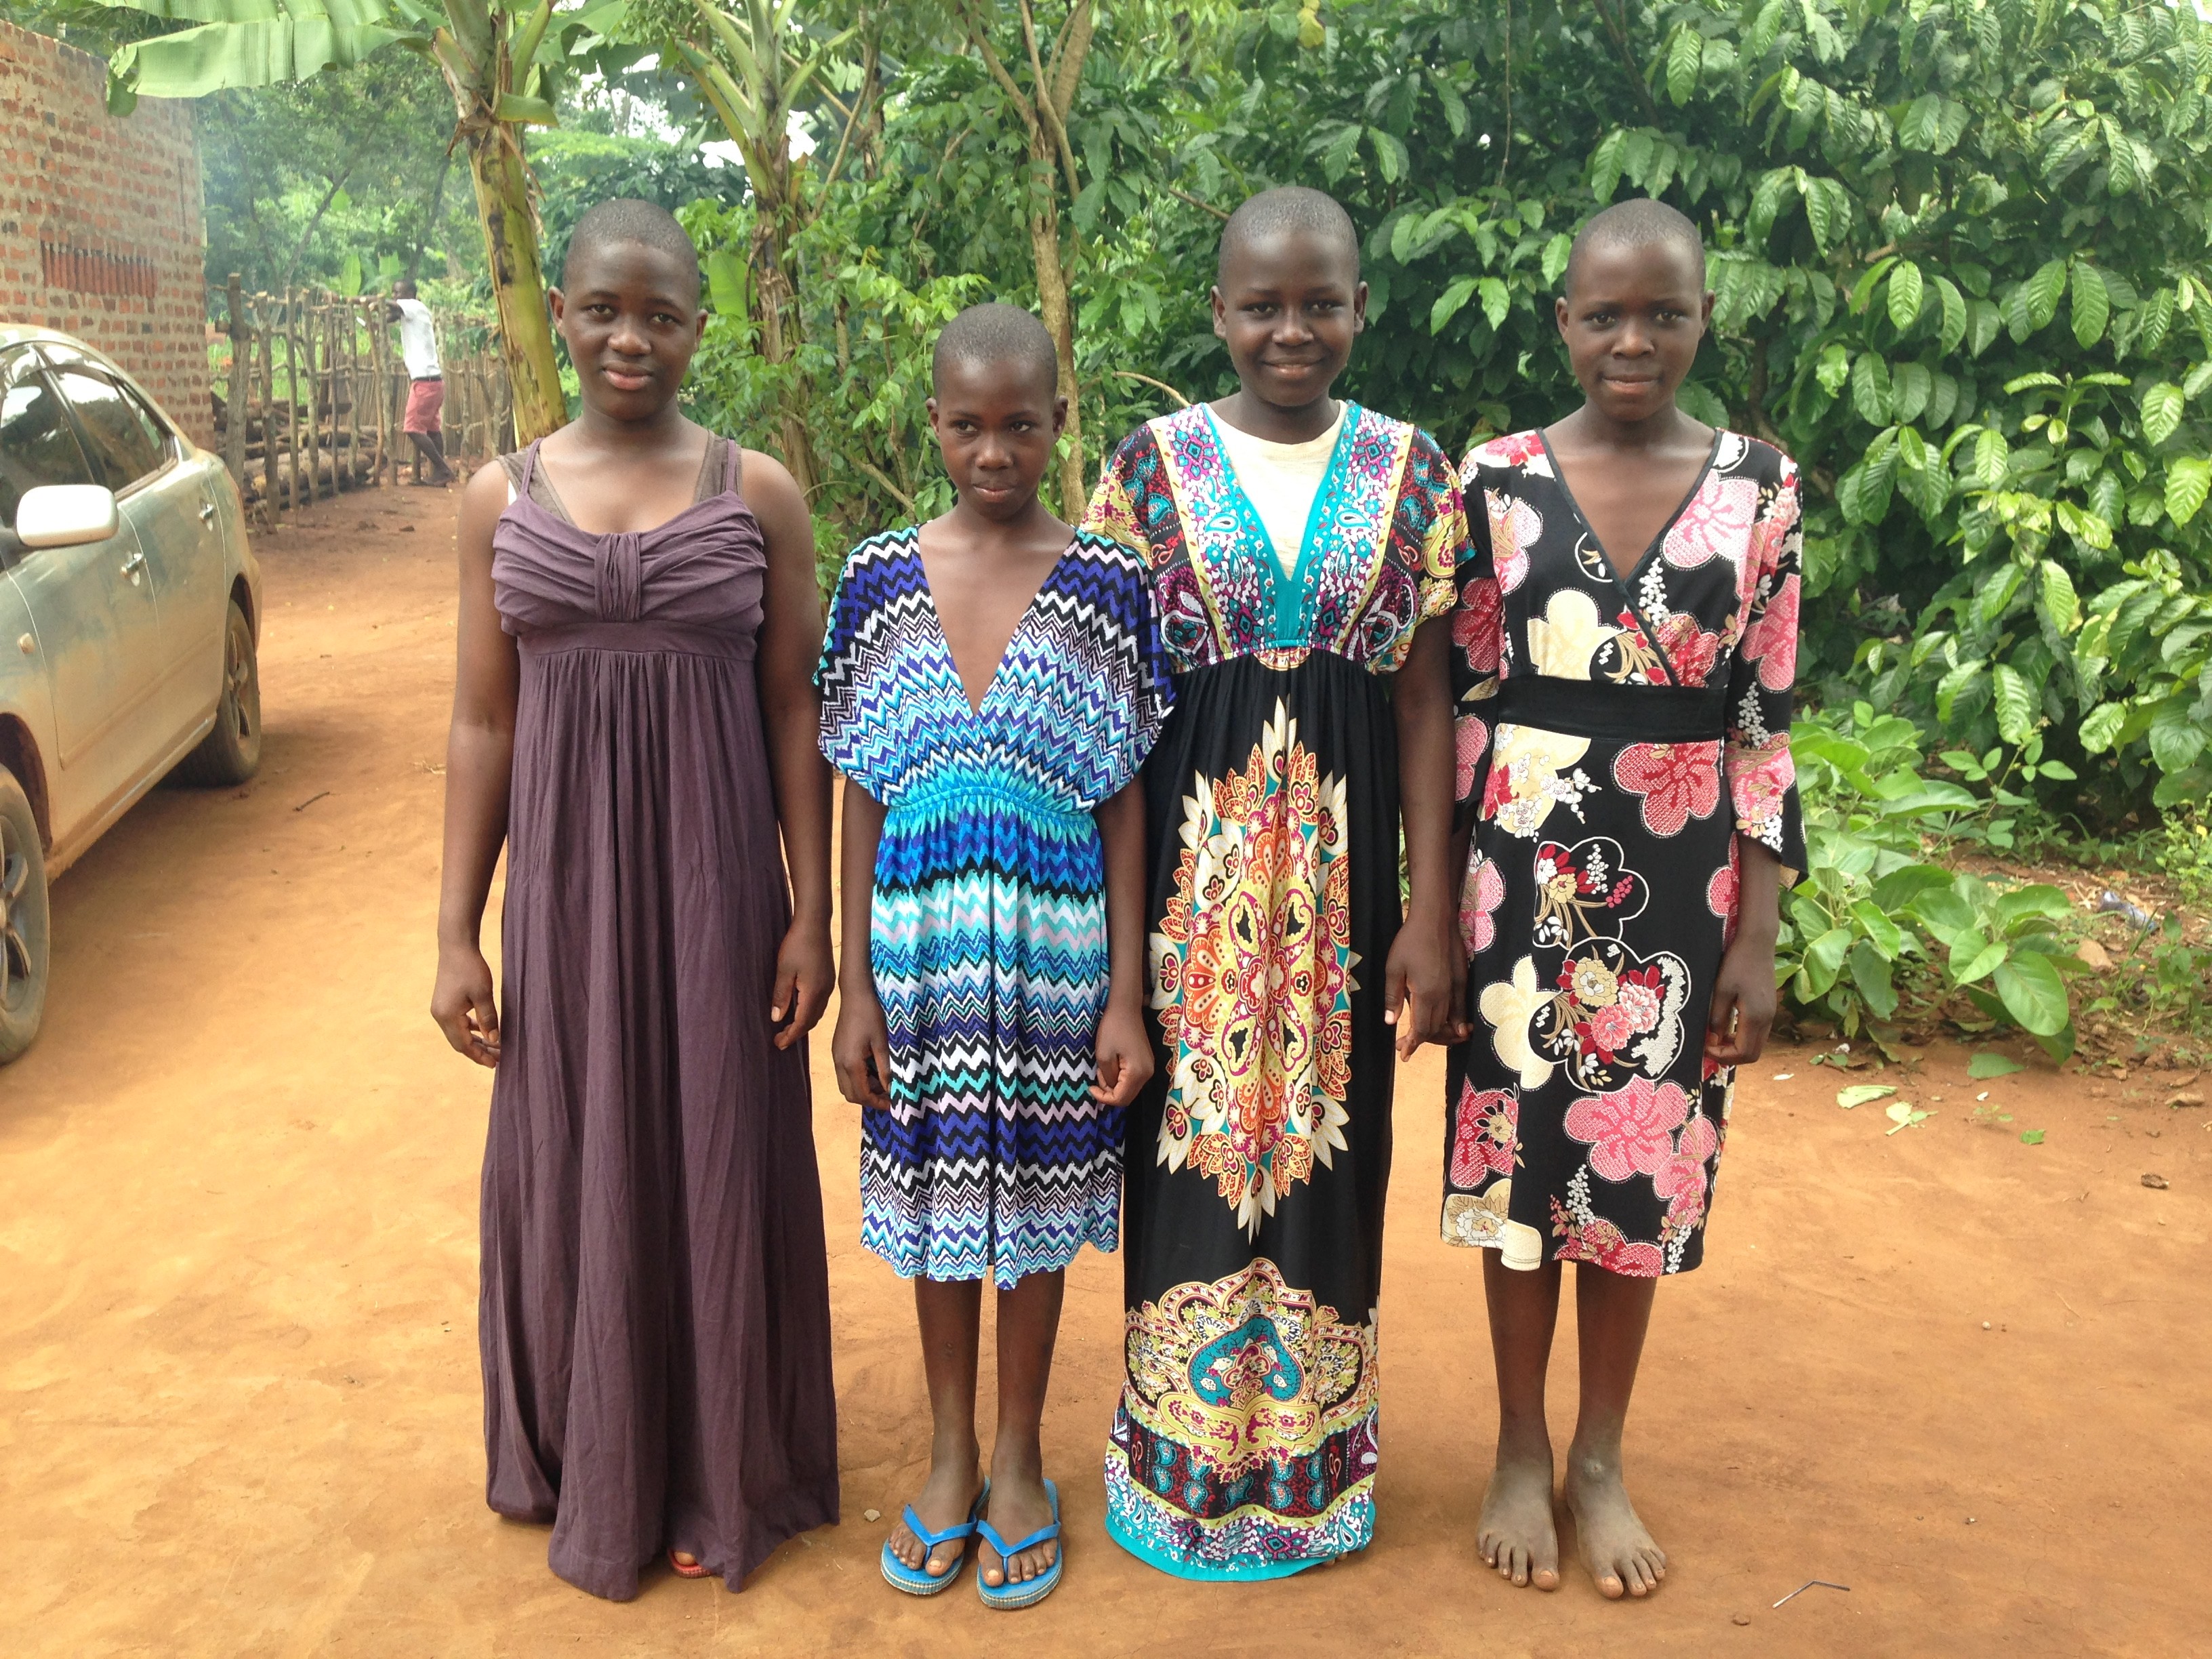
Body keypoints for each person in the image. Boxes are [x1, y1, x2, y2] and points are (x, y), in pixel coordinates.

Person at [429, 198, 840, 1601]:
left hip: (718, 890)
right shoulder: (498, 497)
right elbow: (483, 722)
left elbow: (793, 707)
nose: (629, 339)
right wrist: (454, 931)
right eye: (603, 309)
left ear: (698, 330)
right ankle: (587, 1454)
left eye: (661, 316)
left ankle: (722, 1468)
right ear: (560, 310)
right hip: (564, 902)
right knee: (573, 1150)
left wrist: (808, 912)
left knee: (717, 1149)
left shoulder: (756, 492)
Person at [1082, 186, 1464, 1580]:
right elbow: (1118, 716)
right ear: (1218, 312)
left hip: (1343, 908)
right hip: (1192, 901)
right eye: (1260, 305)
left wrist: (1429, 913)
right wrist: (1121, 960)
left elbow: (1424, 702)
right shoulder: (1146, 473)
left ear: (1361, 307)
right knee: (1183, 1155)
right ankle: (1174, 1469)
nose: (1289, 330)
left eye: (1318, 304)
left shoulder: (1414, 475)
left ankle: (1312, 1477)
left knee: (1329, 1154)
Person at [1443, 197, 1803, 1599]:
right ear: (1563, 323)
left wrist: (1755, 937)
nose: (1633, 340)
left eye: (1663, 313)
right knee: (1514, 1168)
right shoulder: (1496, 480)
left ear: (1706, 316)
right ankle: (1516, 1445)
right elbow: (1460, 695)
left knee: (1636, 1173)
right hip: (1516, 880)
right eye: (1604, 316)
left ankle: (1598, 1455)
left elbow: (1764, 723)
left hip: (1677, 882)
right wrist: (1438, 909)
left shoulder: (1760, 489)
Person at [819, 303, 1171, 1611]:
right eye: (966, 425)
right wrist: (855, 984)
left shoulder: (1106, 581)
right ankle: (950, 1448)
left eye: (1019, 424)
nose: (992, 450)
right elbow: (858, 785)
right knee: (932, 1206)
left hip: (1052, 959)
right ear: (932, 424)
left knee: (1031, 1206)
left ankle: (1019, 1453)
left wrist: (1125, 994)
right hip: (914, 961)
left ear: (1055, 422)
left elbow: (1124, 797)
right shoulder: (875, 578)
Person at [387, 279, 457, 485]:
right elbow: (390, 316)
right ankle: (440, 474)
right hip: (434, 382)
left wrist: (355, 300)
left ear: (411, 294)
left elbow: (388, 306)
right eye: (393, 293)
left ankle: (443, 470)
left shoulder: (415, 306)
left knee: (412, 429)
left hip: (425, 383)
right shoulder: (413, 313)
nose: (395, 297)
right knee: (433, 431)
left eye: (398, 293)